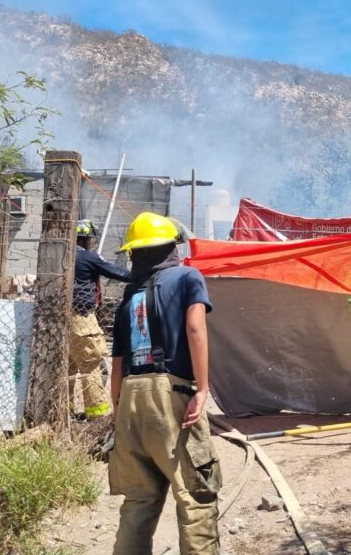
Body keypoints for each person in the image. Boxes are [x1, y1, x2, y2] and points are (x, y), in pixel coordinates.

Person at [108, 211, 220, 555]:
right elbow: (195, 329)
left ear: (135, 254)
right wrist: (202, 389)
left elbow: (117, 363)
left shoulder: (129, 295)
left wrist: (118, 411)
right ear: (172, 246)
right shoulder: (188, 277)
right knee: (195, 495)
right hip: (171, 392)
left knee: (139, 500)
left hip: (130, 396)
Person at [71, 219, 130, 419]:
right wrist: (143, 274)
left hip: (60, 321)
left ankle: (63, 412)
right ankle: (97, 415)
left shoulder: (65, 255)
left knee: (67, 367)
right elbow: (118, 272)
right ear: (87, 239)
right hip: (81, 318)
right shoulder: (88, 256)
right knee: (92, 365)